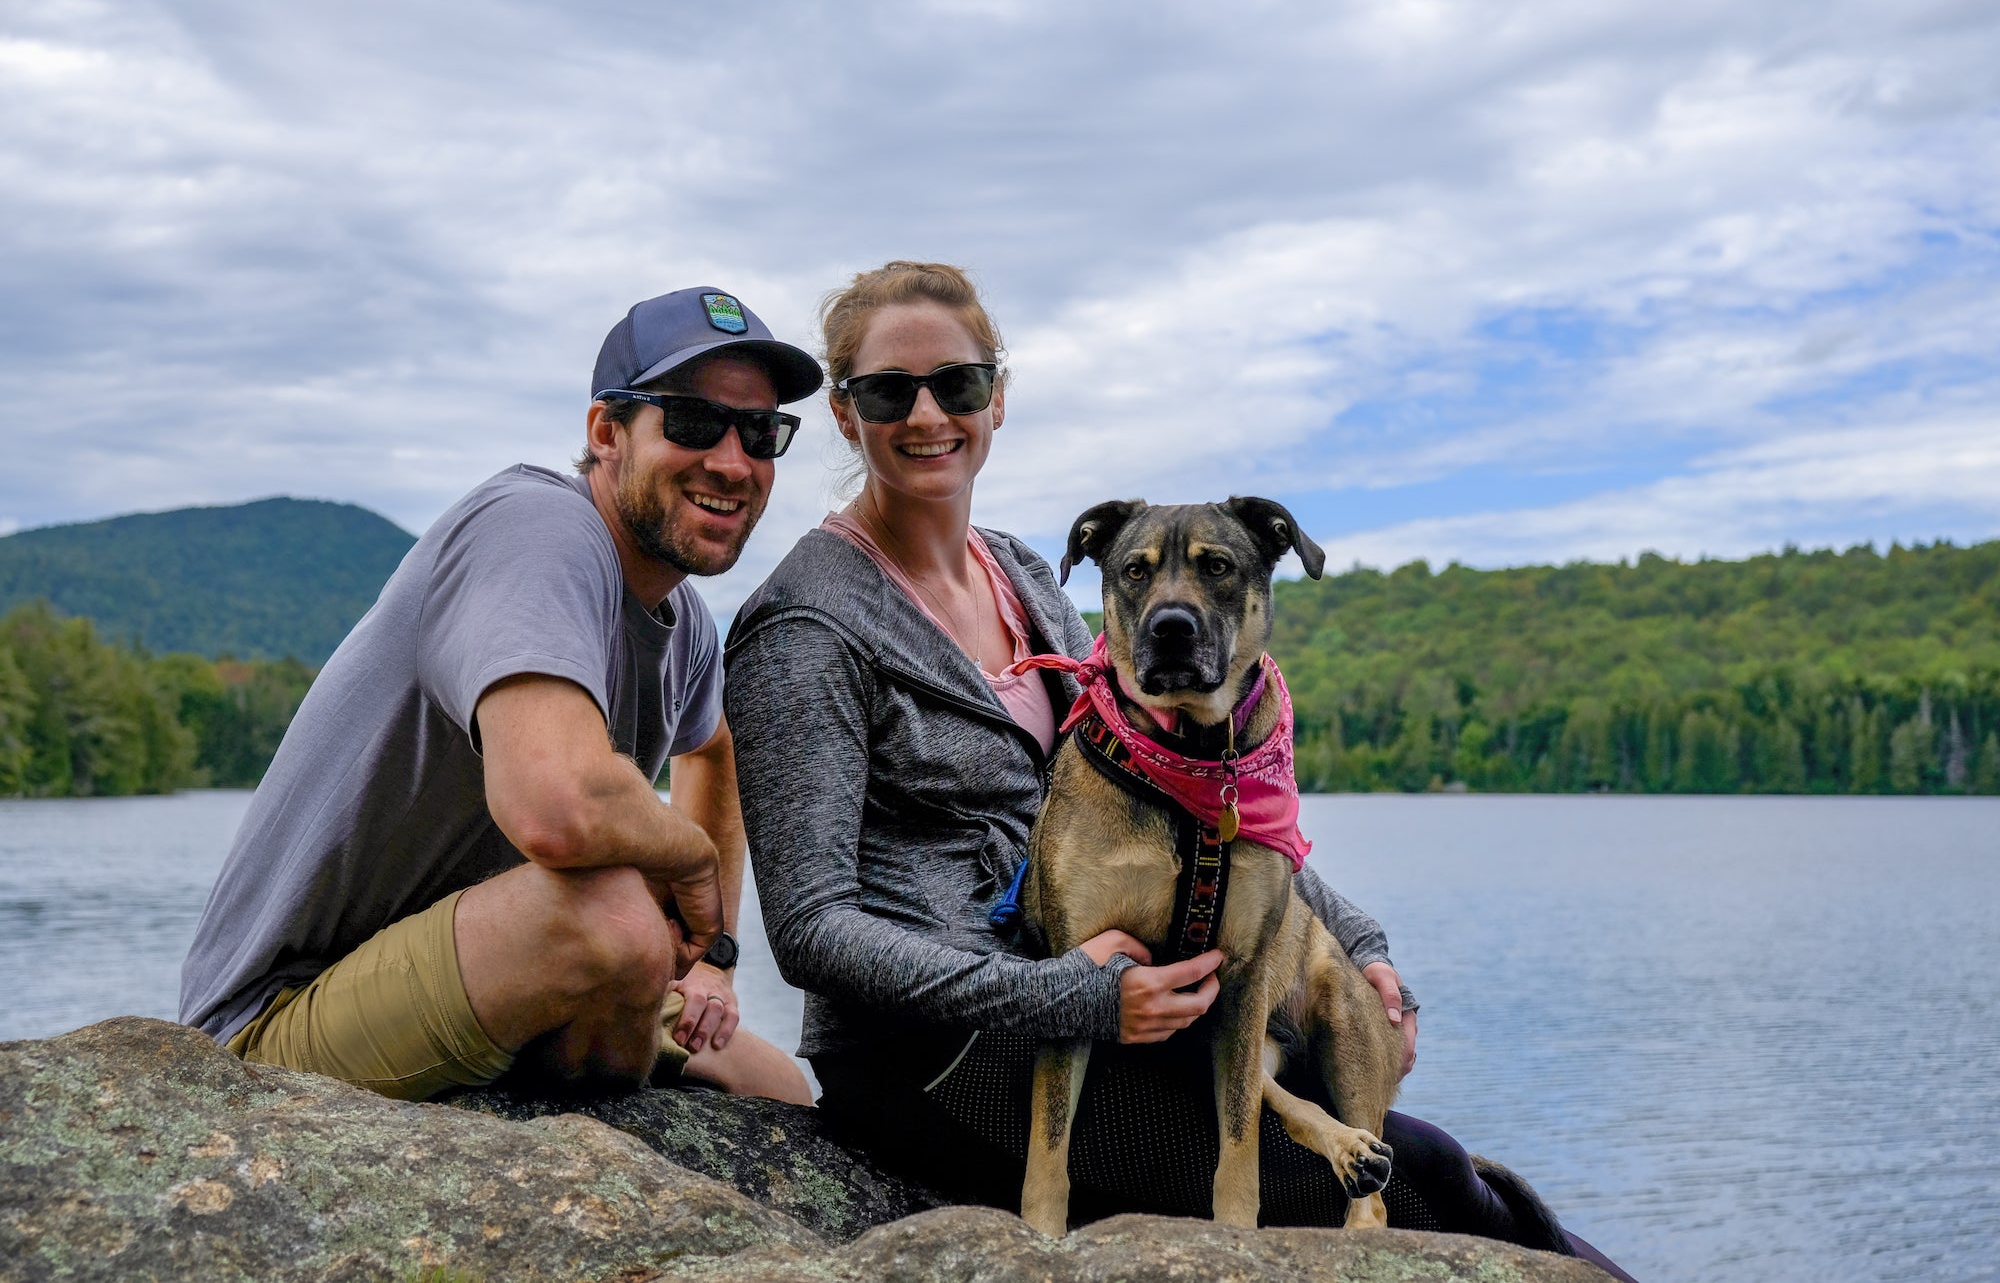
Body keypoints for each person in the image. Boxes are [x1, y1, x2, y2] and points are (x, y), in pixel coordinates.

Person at [723, 262, 1635, 1277]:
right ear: (847, 415)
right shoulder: (804, 624)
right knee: (1414, 1169)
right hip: (939, 1060)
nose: (927, 413)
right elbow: (808, 928)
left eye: (959, 384)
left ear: (997, 399)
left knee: (1406, 1144)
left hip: (1097, 1018)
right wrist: (1066, 999)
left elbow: (1192, 797)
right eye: (890, 390)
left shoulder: (1021, 574)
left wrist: (1361, 943)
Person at [180, 286, 815, 1105]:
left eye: (761, 432)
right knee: (616, 919)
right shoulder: (536, 529)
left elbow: (714, 746)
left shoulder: (684, 619)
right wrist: (686, 858)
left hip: (484, 971)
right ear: (606, 432)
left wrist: (715, 964)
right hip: (272, 1027)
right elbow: (555, 802)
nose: (733, 460)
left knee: (780, 1086)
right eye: (692, 422)